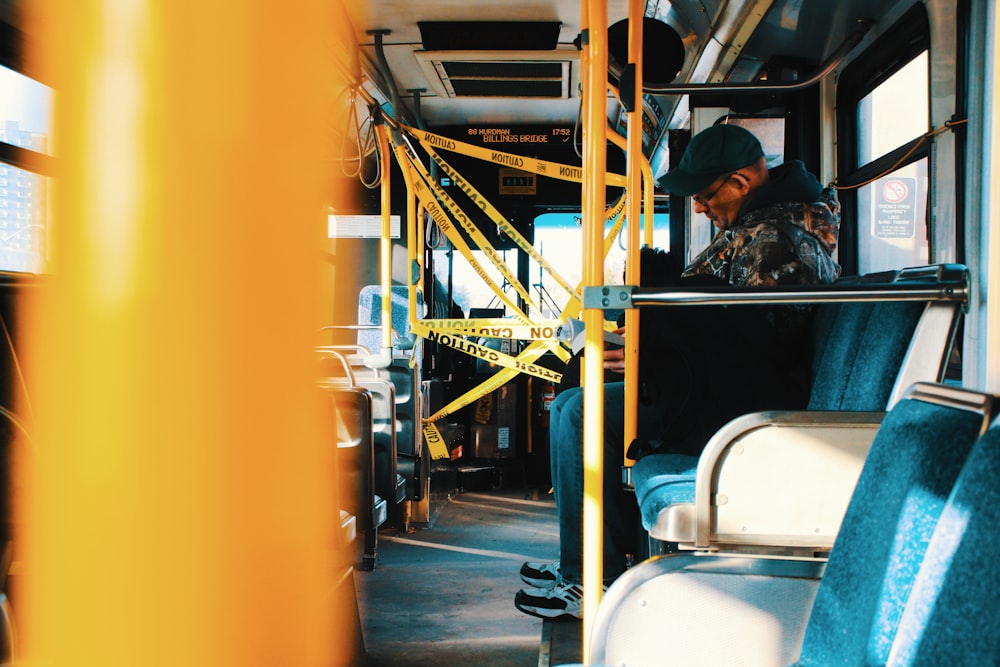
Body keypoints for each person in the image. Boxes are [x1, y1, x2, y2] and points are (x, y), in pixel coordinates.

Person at [514, 123, 842, 620]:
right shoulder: (759, 228)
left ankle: (590, 579)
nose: (699, 207)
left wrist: (653, 356)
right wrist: (649, 349)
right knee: (572, 399)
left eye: (706, 195)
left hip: (746, 413)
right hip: (717, 389)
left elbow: (750, 350)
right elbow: (721, 330)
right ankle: (590, 565)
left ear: (739, 183)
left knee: (582, 412)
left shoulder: (777, 242)